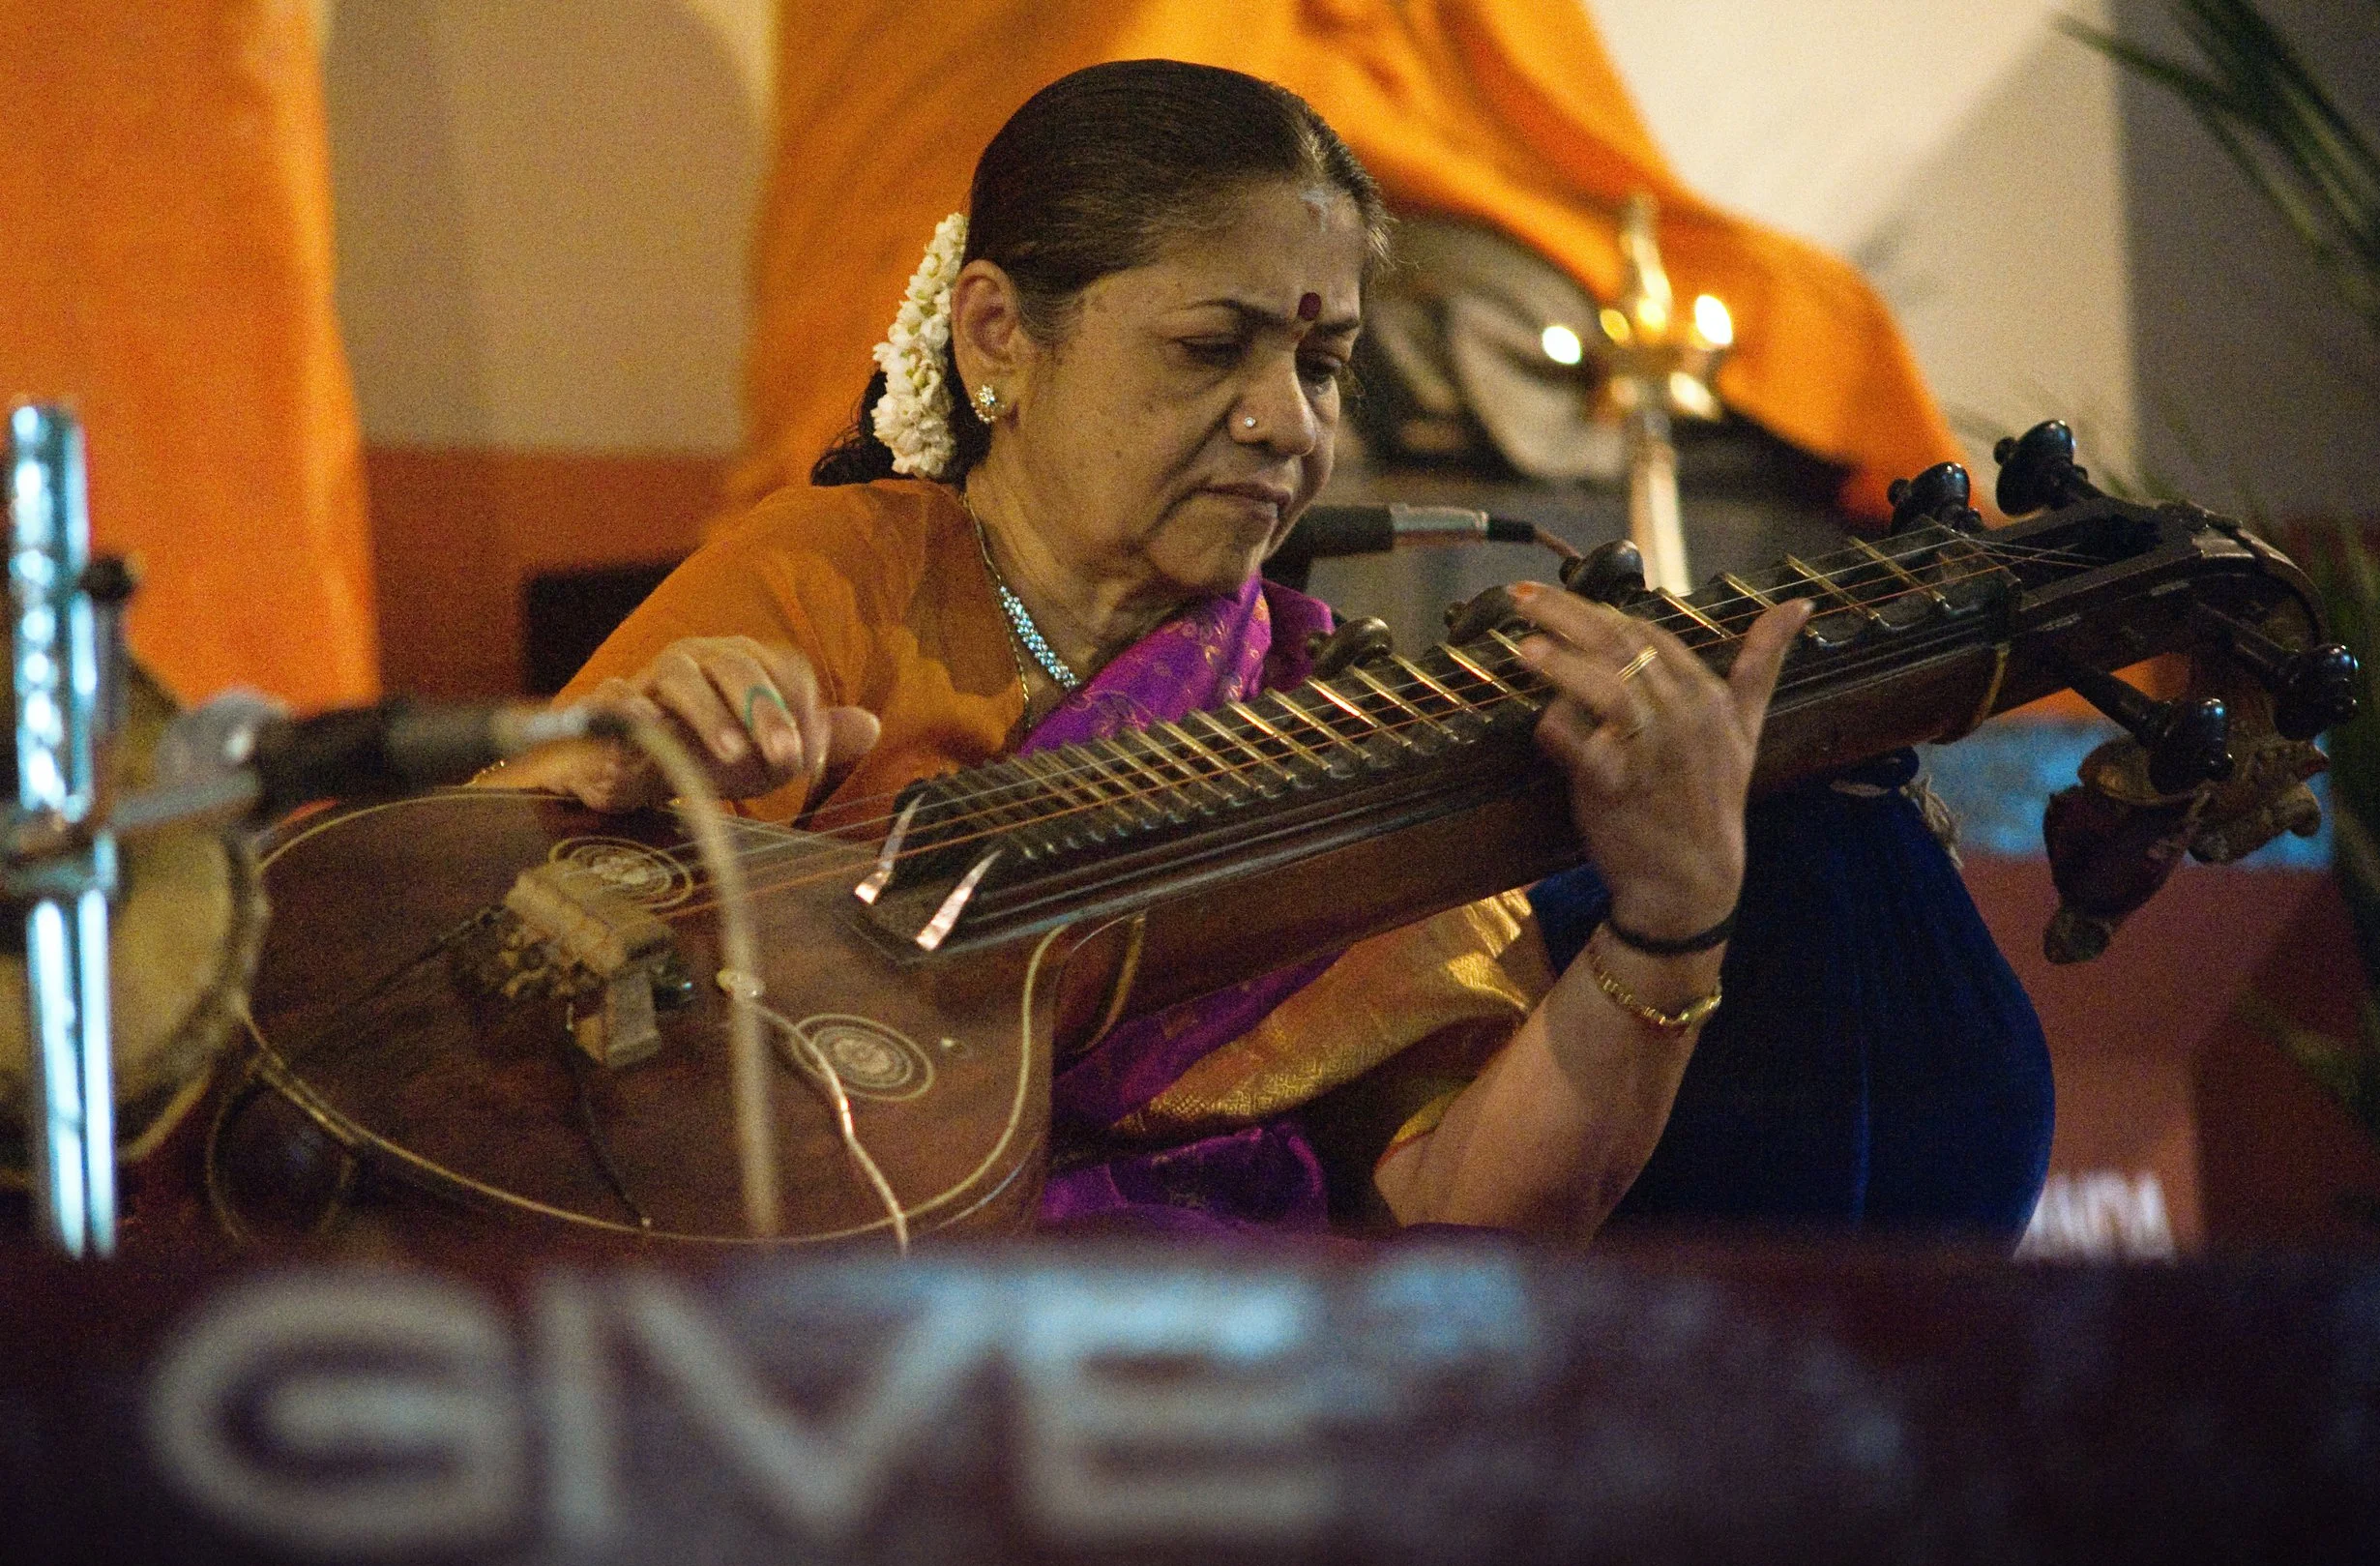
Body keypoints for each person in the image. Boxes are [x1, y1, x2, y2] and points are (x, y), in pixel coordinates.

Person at [485, 60, 2050, 1242]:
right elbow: (468, 911)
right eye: (1211, 347)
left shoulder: (1320, 715)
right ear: (995, 339)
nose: (1287, 420)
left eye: (1323, 358)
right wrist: (657, 796)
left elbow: (1459, 1206)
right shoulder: (839, 577)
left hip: (1220, 1420)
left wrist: (1670, 921)